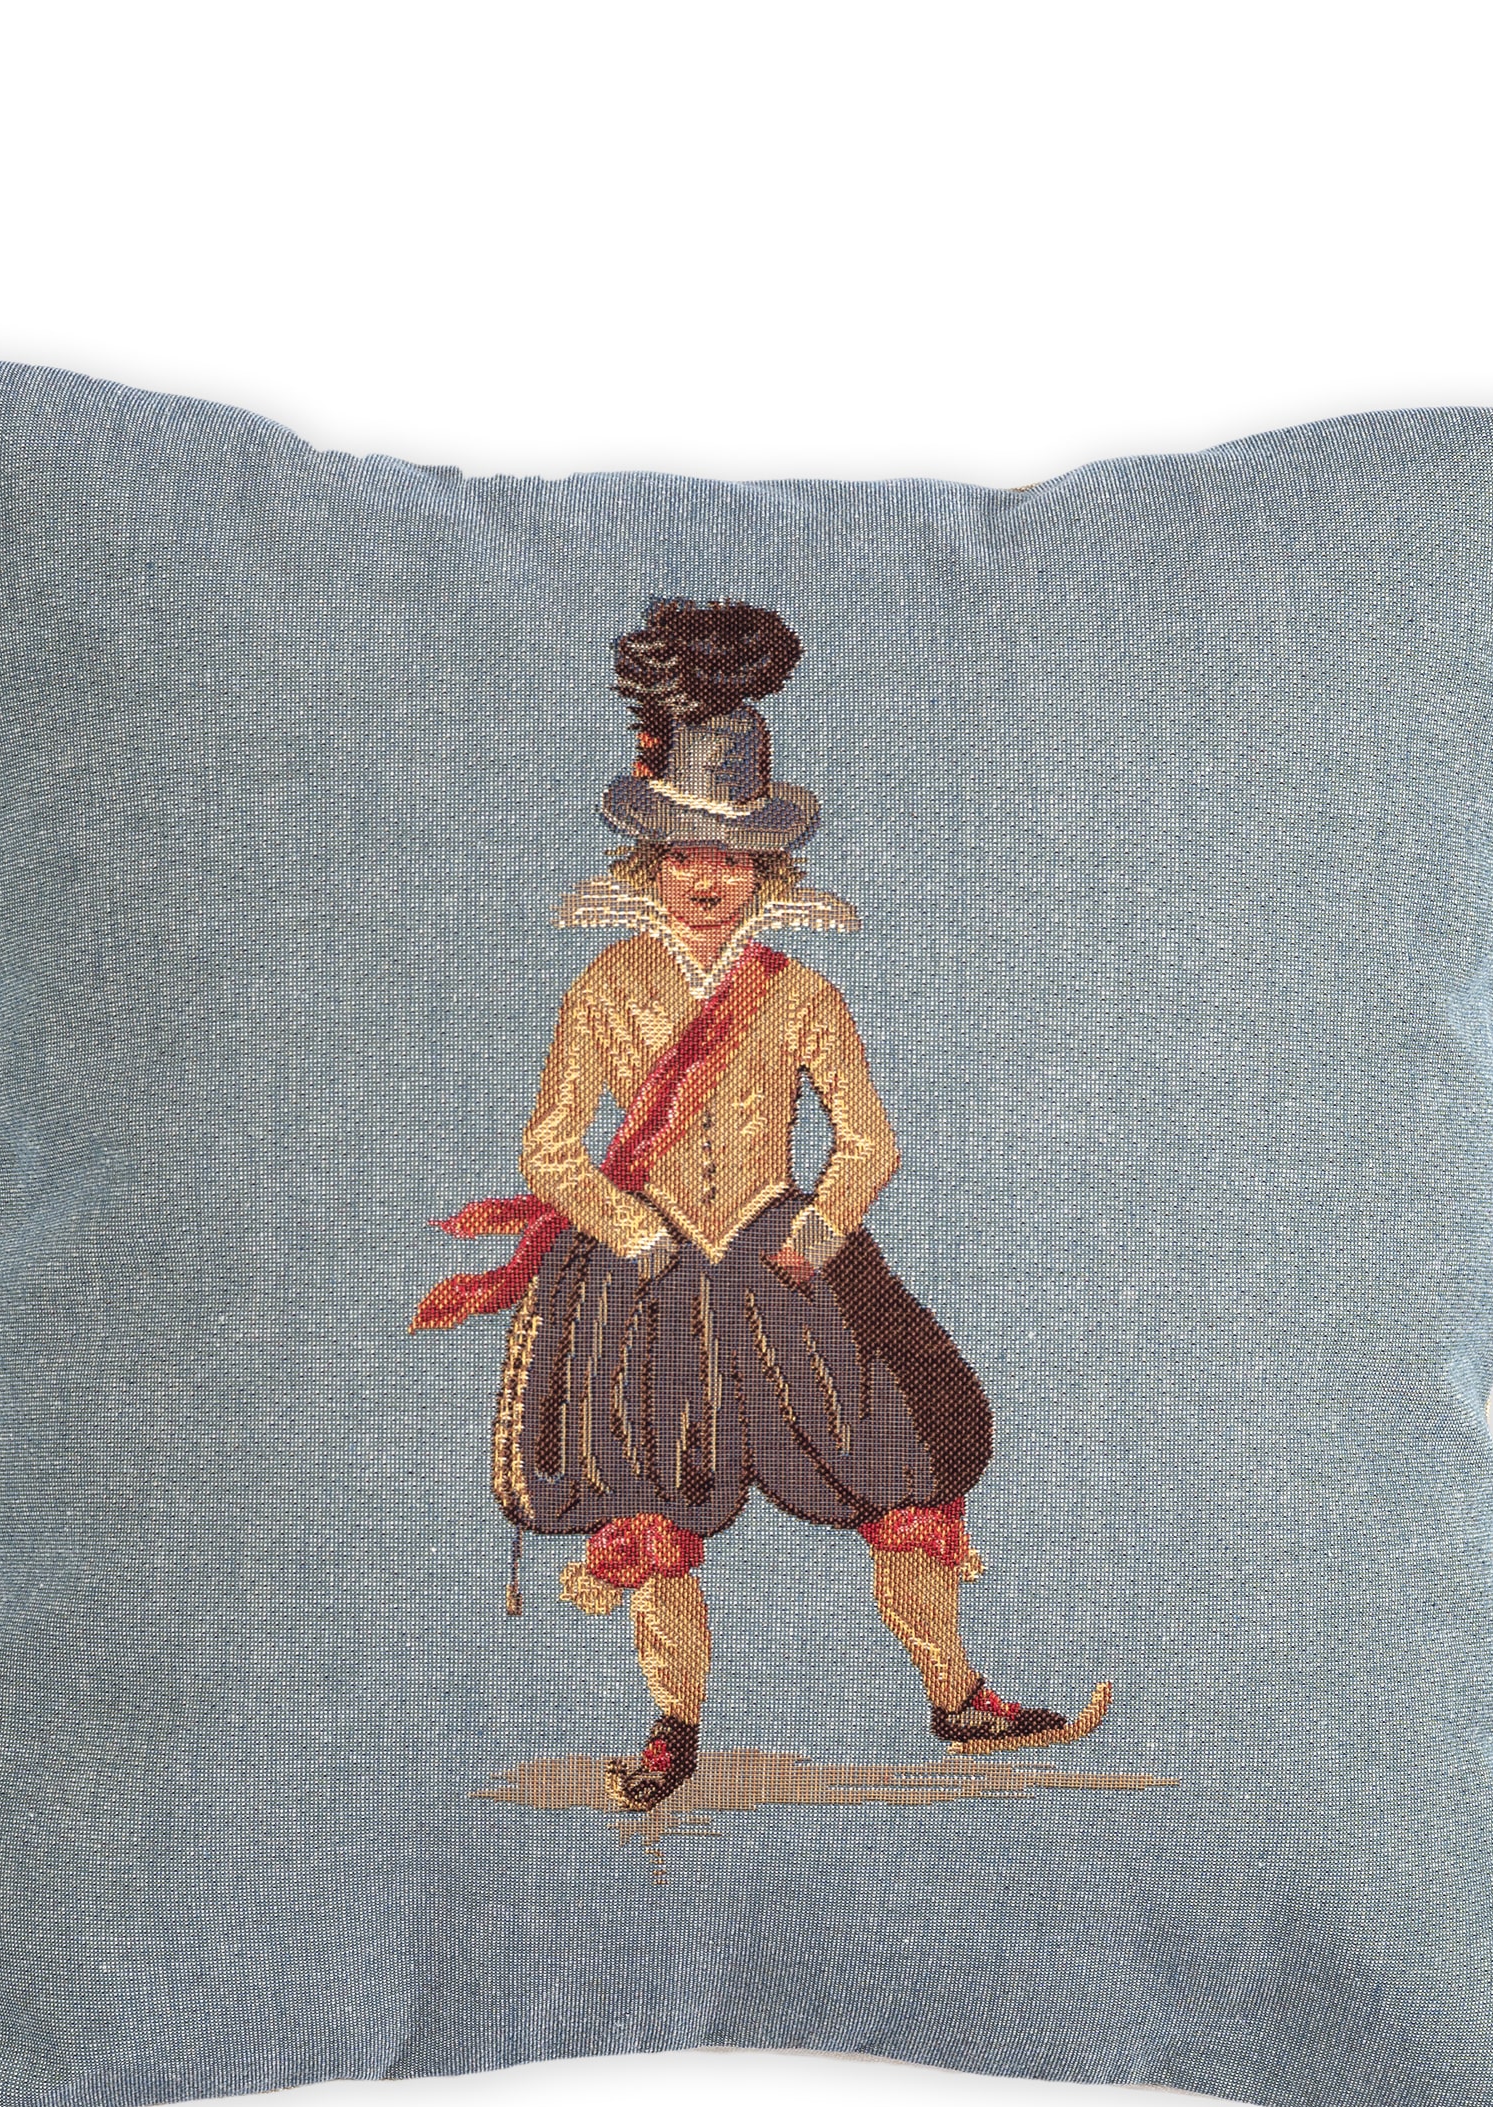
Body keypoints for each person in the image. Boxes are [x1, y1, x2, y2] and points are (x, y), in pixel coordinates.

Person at [413, 598, 1107, 1809]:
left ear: (764, 870)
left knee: (900, 1469)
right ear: (649, 865)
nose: (707, 877)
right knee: (649, 1501)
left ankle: (957, 1697)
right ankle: (671, 1730)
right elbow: (549, 1149)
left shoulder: (799, 996)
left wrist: (821, 1229)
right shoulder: (603, 990)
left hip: (785, 1260)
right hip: (645, 1275)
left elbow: (868, 1140)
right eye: (686, 853)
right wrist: (630, 1230)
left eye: (730, 857)